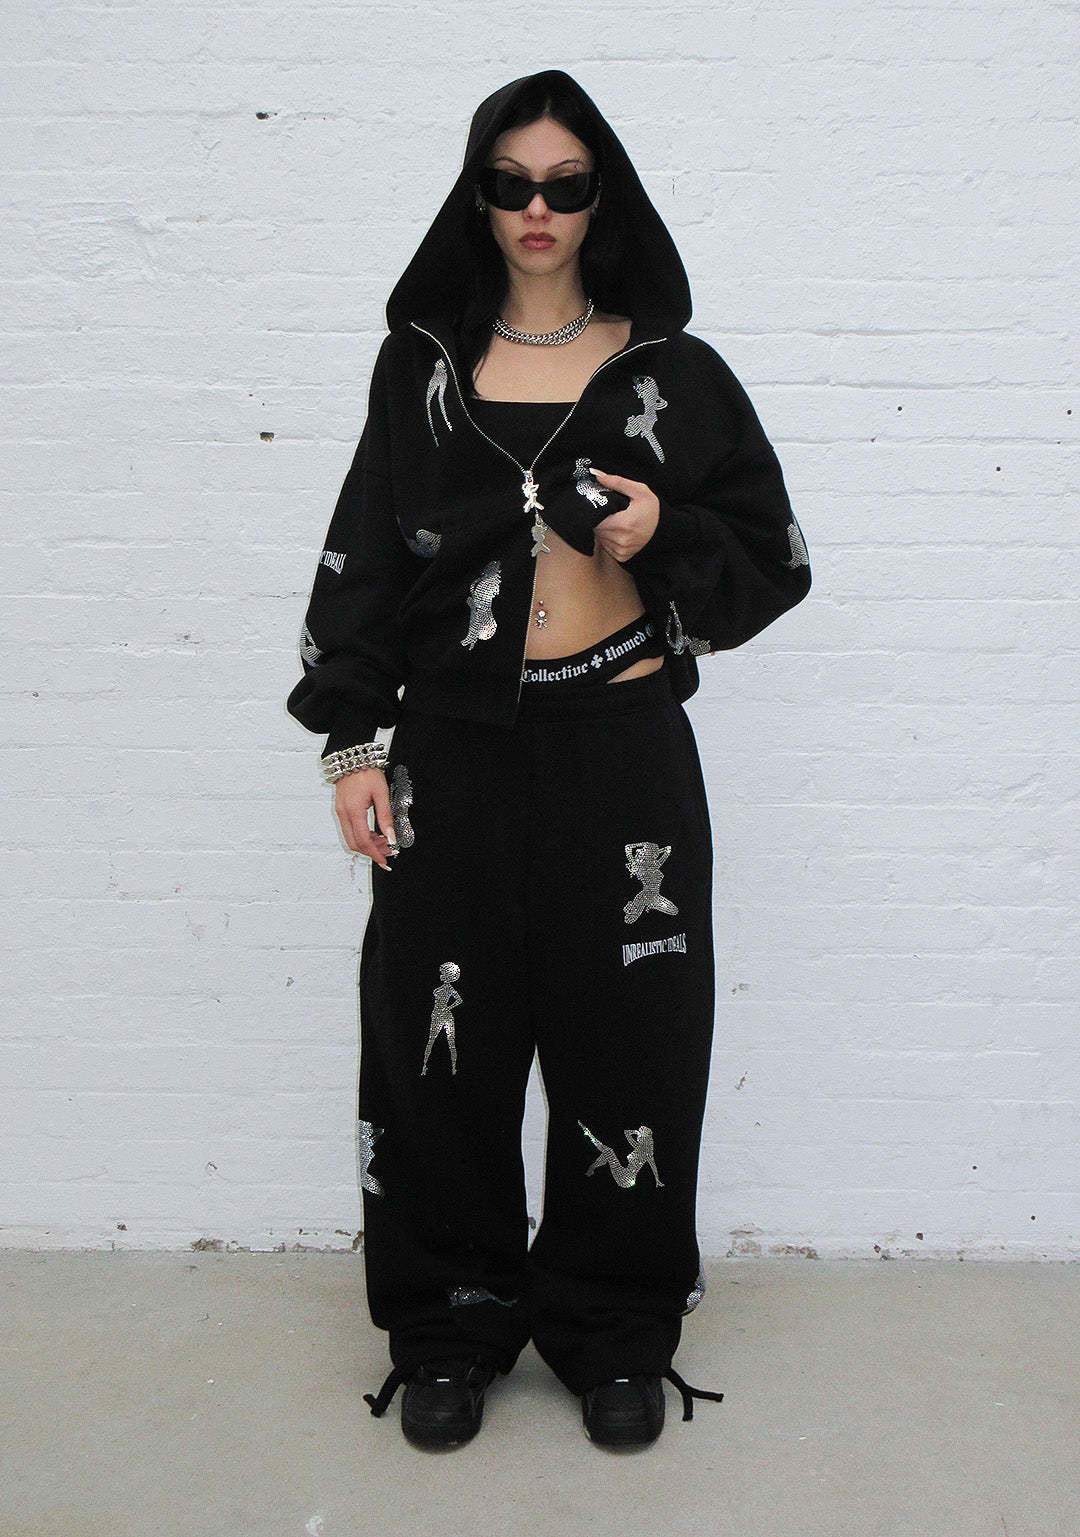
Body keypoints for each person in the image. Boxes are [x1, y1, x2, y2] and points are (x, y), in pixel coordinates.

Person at [285, 68, 811, 1450]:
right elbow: (361, 558)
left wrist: (659, 533)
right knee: (434, 1055)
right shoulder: (422, 370)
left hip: (622, 746)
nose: (537, 208)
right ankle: (450, 1325)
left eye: (565, 185)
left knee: (630, 1042)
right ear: (478, 197)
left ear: (600, 200)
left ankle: (613, 1326)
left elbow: (773, 564)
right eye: (510, 182)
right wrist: (352, 740)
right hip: (452, 753)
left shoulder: (673, 375)